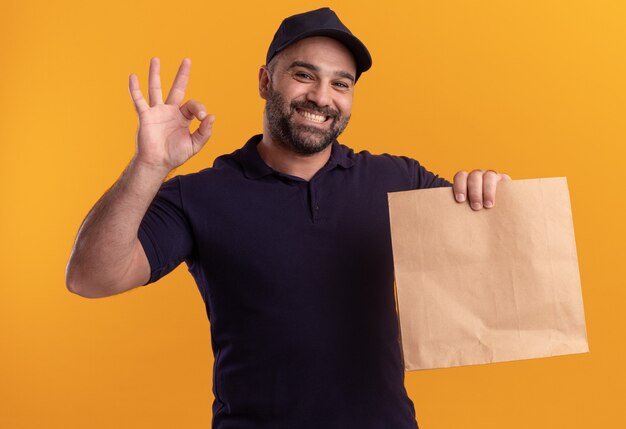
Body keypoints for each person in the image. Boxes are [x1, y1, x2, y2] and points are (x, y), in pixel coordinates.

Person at [66, 7, 511, 429]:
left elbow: (497, 255)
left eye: (341, 84)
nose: (322, 97)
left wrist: (487, 191)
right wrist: (149, 166)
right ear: (265, 81)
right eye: (304, 75)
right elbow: (90, 277)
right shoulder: (199, 195)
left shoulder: (397, 179)